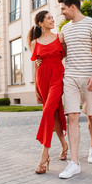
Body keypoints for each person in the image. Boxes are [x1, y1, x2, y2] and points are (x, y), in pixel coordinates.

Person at [58, 0, 92, 179]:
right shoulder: (65, 29)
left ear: (73, 7)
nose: (61, 12)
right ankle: (74, 162)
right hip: (69, 77)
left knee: (91, 115)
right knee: (72, 116)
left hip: (88, 77)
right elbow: (61, 53)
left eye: (63, 8)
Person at [28, 10, 69, 174]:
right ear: (40, 23)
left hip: (57, 77)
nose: (52, 20)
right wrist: (35, 88)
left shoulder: (60, 37)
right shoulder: (34, 43)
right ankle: (64, 145)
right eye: (49, 18)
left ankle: (44, 156)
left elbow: (69, 55)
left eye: (52, 17)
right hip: (42, 79)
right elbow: (35, 66)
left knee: (47, 112)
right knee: (53, 114)